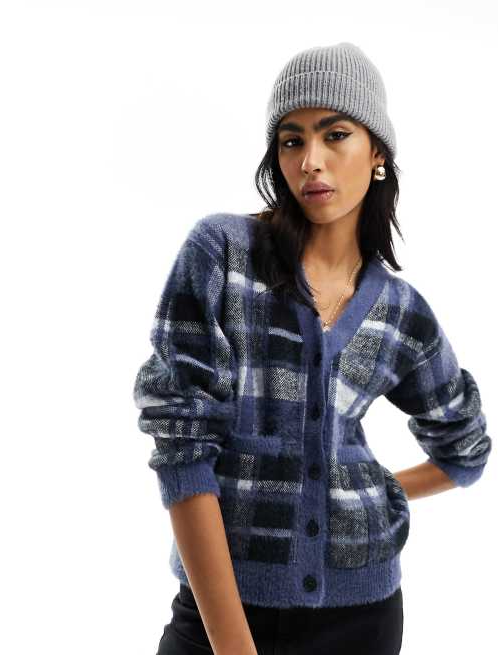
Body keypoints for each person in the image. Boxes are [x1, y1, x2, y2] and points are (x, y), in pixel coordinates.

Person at [132, 42, 492, 655]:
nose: (310, 161)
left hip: (361, 620)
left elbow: (466, 449)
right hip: (217, 613)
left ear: (377, 153)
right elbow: (182, 446)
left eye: (336, 135)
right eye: (291, 140)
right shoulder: (223, 255)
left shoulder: (400, 311)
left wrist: (369, 491)